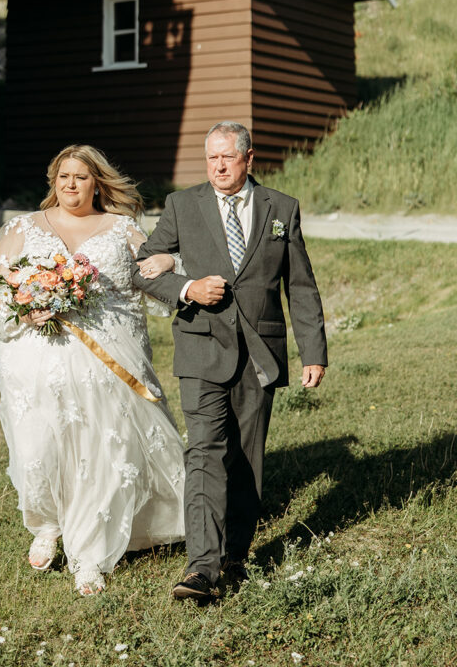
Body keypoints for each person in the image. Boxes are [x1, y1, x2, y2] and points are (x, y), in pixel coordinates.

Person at [133, 121, 327, 602]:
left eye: (228, 157)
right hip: (200, 347)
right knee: (204, 452)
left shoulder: (282, 209)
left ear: (248, 158)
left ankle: (235, 556)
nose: (219, 166)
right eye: (212, 158)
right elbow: (144, 264)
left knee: (246, 459)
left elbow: (299, 285)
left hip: (260, 351)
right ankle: (201, 568)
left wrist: (314, 351)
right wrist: (186, 288)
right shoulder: (182, 205)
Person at [0, 144, 185, 596]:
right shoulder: (24, 227)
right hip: (36, 357)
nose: (70, 184)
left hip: (108, 356)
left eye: (80, 176)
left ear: (98, 182)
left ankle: (90, 552)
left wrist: (172, 261)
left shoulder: (122, 229)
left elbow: (155, 279)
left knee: (101, 451)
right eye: (62, 177)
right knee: (40, 448)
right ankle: (48, 525)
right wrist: (26, 306)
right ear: (53, 182)